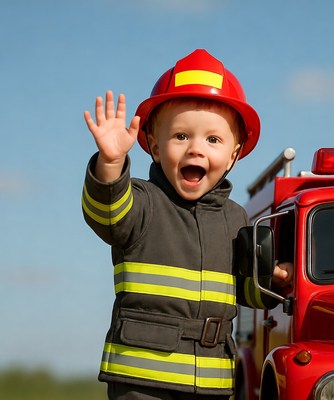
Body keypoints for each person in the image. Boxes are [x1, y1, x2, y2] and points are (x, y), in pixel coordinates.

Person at [82, 49, 293, 400]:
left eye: (213, 140)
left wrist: (272, 277)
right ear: (153, 144)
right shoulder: (141, 202)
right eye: (181, 136)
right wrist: (110, 163)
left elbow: (246, 292)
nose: (196, 149)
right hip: (142, 379)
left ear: (234, 153)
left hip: (211, 381)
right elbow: (106, 214)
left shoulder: (238, 218)